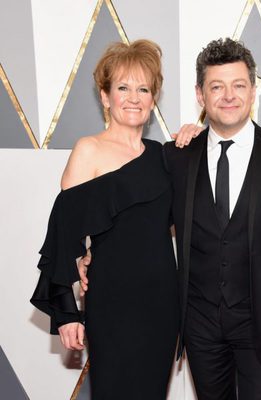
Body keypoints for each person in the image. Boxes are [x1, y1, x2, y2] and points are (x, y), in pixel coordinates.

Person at [80, 38, 261, 399]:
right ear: (200, 94)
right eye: (216, 86)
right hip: (198, 324)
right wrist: (92, 252)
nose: (228, 95)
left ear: (253, 91)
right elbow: (143, 222)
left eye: (238, 85)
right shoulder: (176, 156)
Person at [31, 40, 200, 399]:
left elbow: (186, 216)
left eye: (144, 89)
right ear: (105, 97)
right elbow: (63, 235)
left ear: (153, 99)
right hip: (111, 299)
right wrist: (66, 314)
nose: (134, 97)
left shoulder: (164, 158)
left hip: (162, 301)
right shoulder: (88, 149)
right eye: (123, 88)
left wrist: (201, 141)